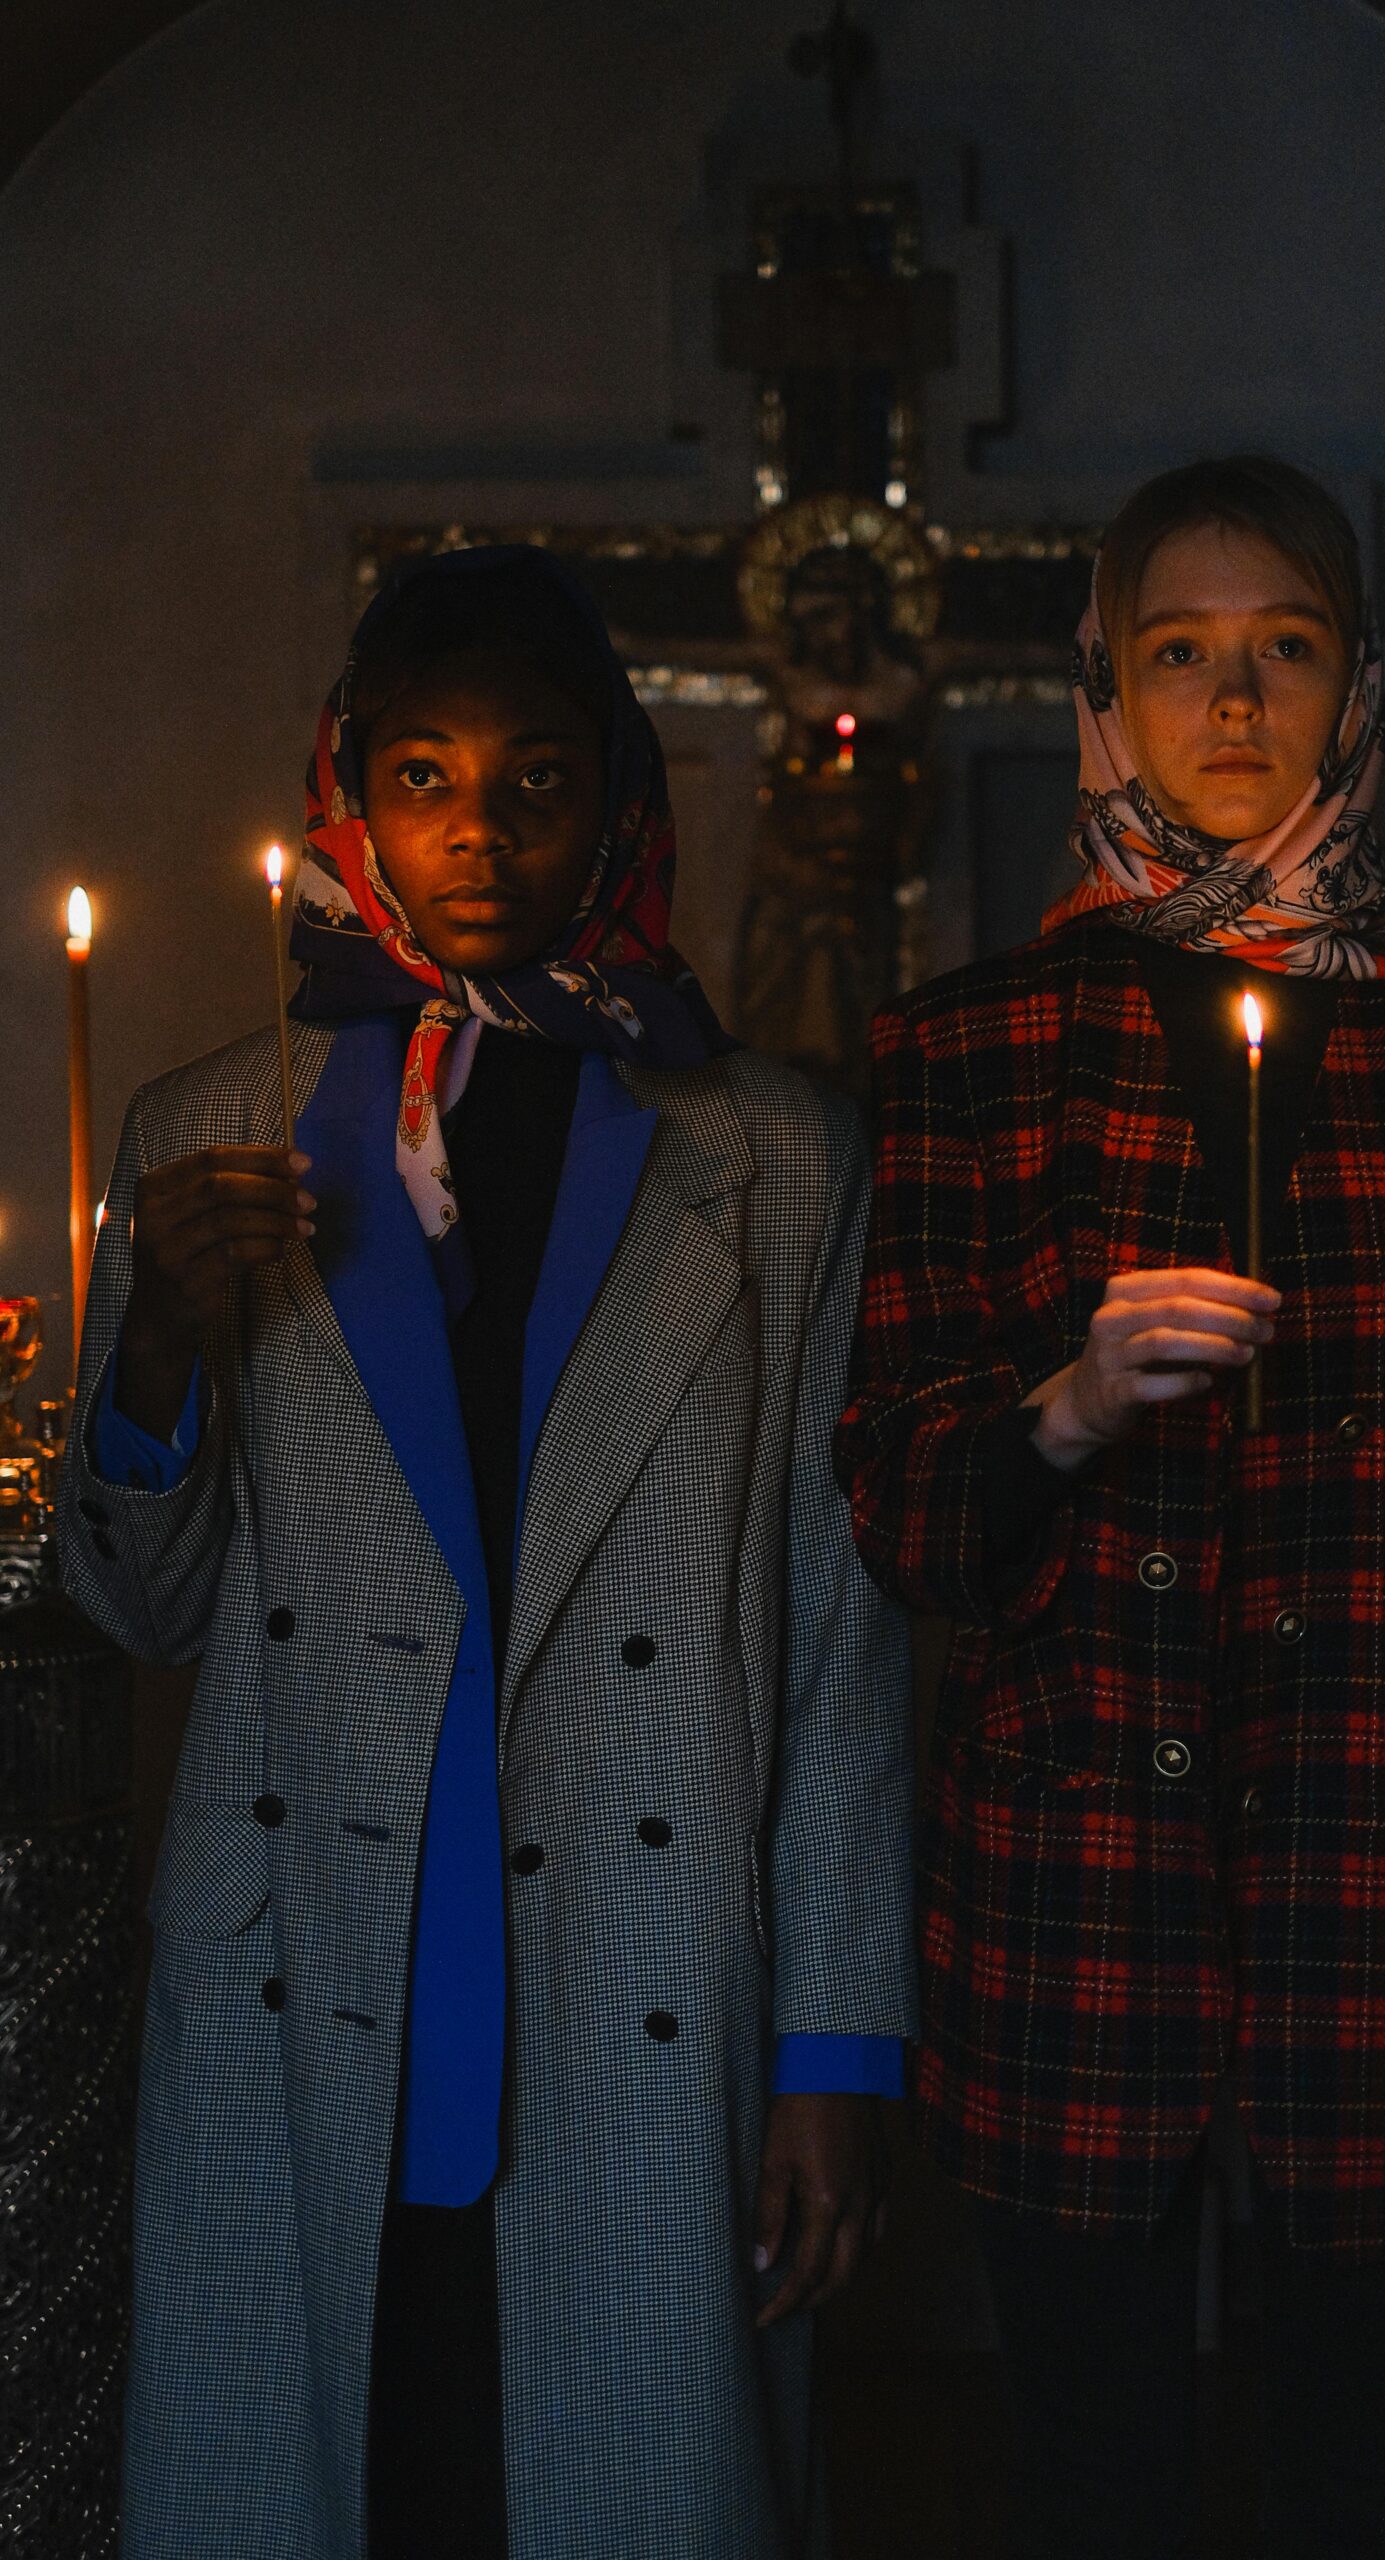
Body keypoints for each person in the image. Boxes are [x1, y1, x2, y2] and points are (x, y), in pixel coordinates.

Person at [60, 545, 915, 2560]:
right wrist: (159, 1336)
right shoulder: (211, 1130)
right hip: (306, 1957)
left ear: (614, 795)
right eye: (424, 776)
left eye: (534, 778)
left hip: (644, 1962)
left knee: (598, 2473)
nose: (478, 828)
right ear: (351, 795)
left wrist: (836, 2049)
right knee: (346, 2469)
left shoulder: (777, 1153)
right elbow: (138, 1606)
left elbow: (837, 1639)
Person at [835, 456, 1385, 2559]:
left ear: (1357, 686)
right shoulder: (969, 1054)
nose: (1234, 699)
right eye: (1178, 654)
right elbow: (899, 1513)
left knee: (1371, 2472)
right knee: (1089, 2474)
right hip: (1067, 1881)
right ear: (1102, 697)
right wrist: (1070, 1405)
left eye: (1283, 646)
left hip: (1384, 1871)